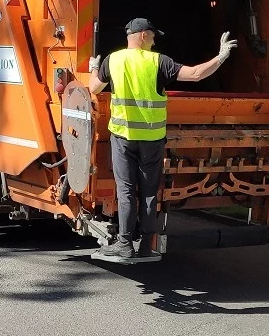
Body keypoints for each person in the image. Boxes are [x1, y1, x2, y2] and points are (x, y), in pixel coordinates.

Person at [88, 18, 238, 262]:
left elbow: (93, 88)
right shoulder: (158, 61)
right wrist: (221, 57)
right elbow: (197, 74)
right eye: (153, 35)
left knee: (126, 191)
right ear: (143, 35)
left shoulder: (112, 60)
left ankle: (125, 244)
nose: (155, 40)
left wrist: (94, 66)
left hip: (123, 139)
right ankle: (147, 245)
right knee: (148, 193)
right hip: (152, 140)